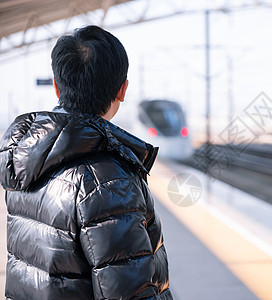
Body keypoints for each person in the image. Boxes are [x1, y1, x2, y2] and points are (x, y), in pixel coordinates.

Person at [0, 25, 172, 300]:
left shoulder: (24, 161)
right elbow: (127, 291)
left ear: (57, 86)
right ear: (122, 90)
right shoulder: (108, 181)